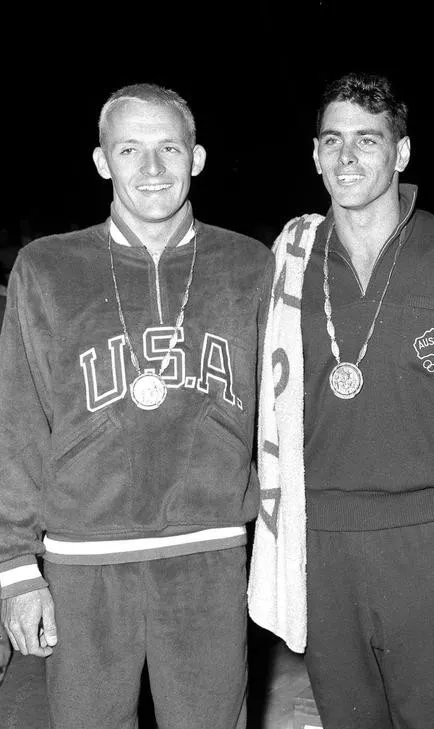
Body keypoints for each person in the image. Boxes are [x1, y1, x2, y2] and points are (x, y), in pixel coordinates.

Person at [0, 84, 273, 729]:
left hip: (209, 555)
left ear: (197, 158)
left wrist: (274, 548)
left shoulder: (249, 266)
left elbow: (281, 417)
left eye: (168, 148)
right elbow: (16, 420)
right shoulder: (46, 267)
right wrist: (14, 564)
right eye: (131, 150)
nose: (152, 169)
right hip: (82, 560)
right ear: (102, 162)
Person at [247, 72, 434, 729]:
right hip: (318, 533)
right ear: (314, 153)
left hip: (428, 531)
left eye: (367, 140)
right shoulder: (285, 260)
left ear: (402, 152)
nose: (348, 157)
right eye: (333, 141)